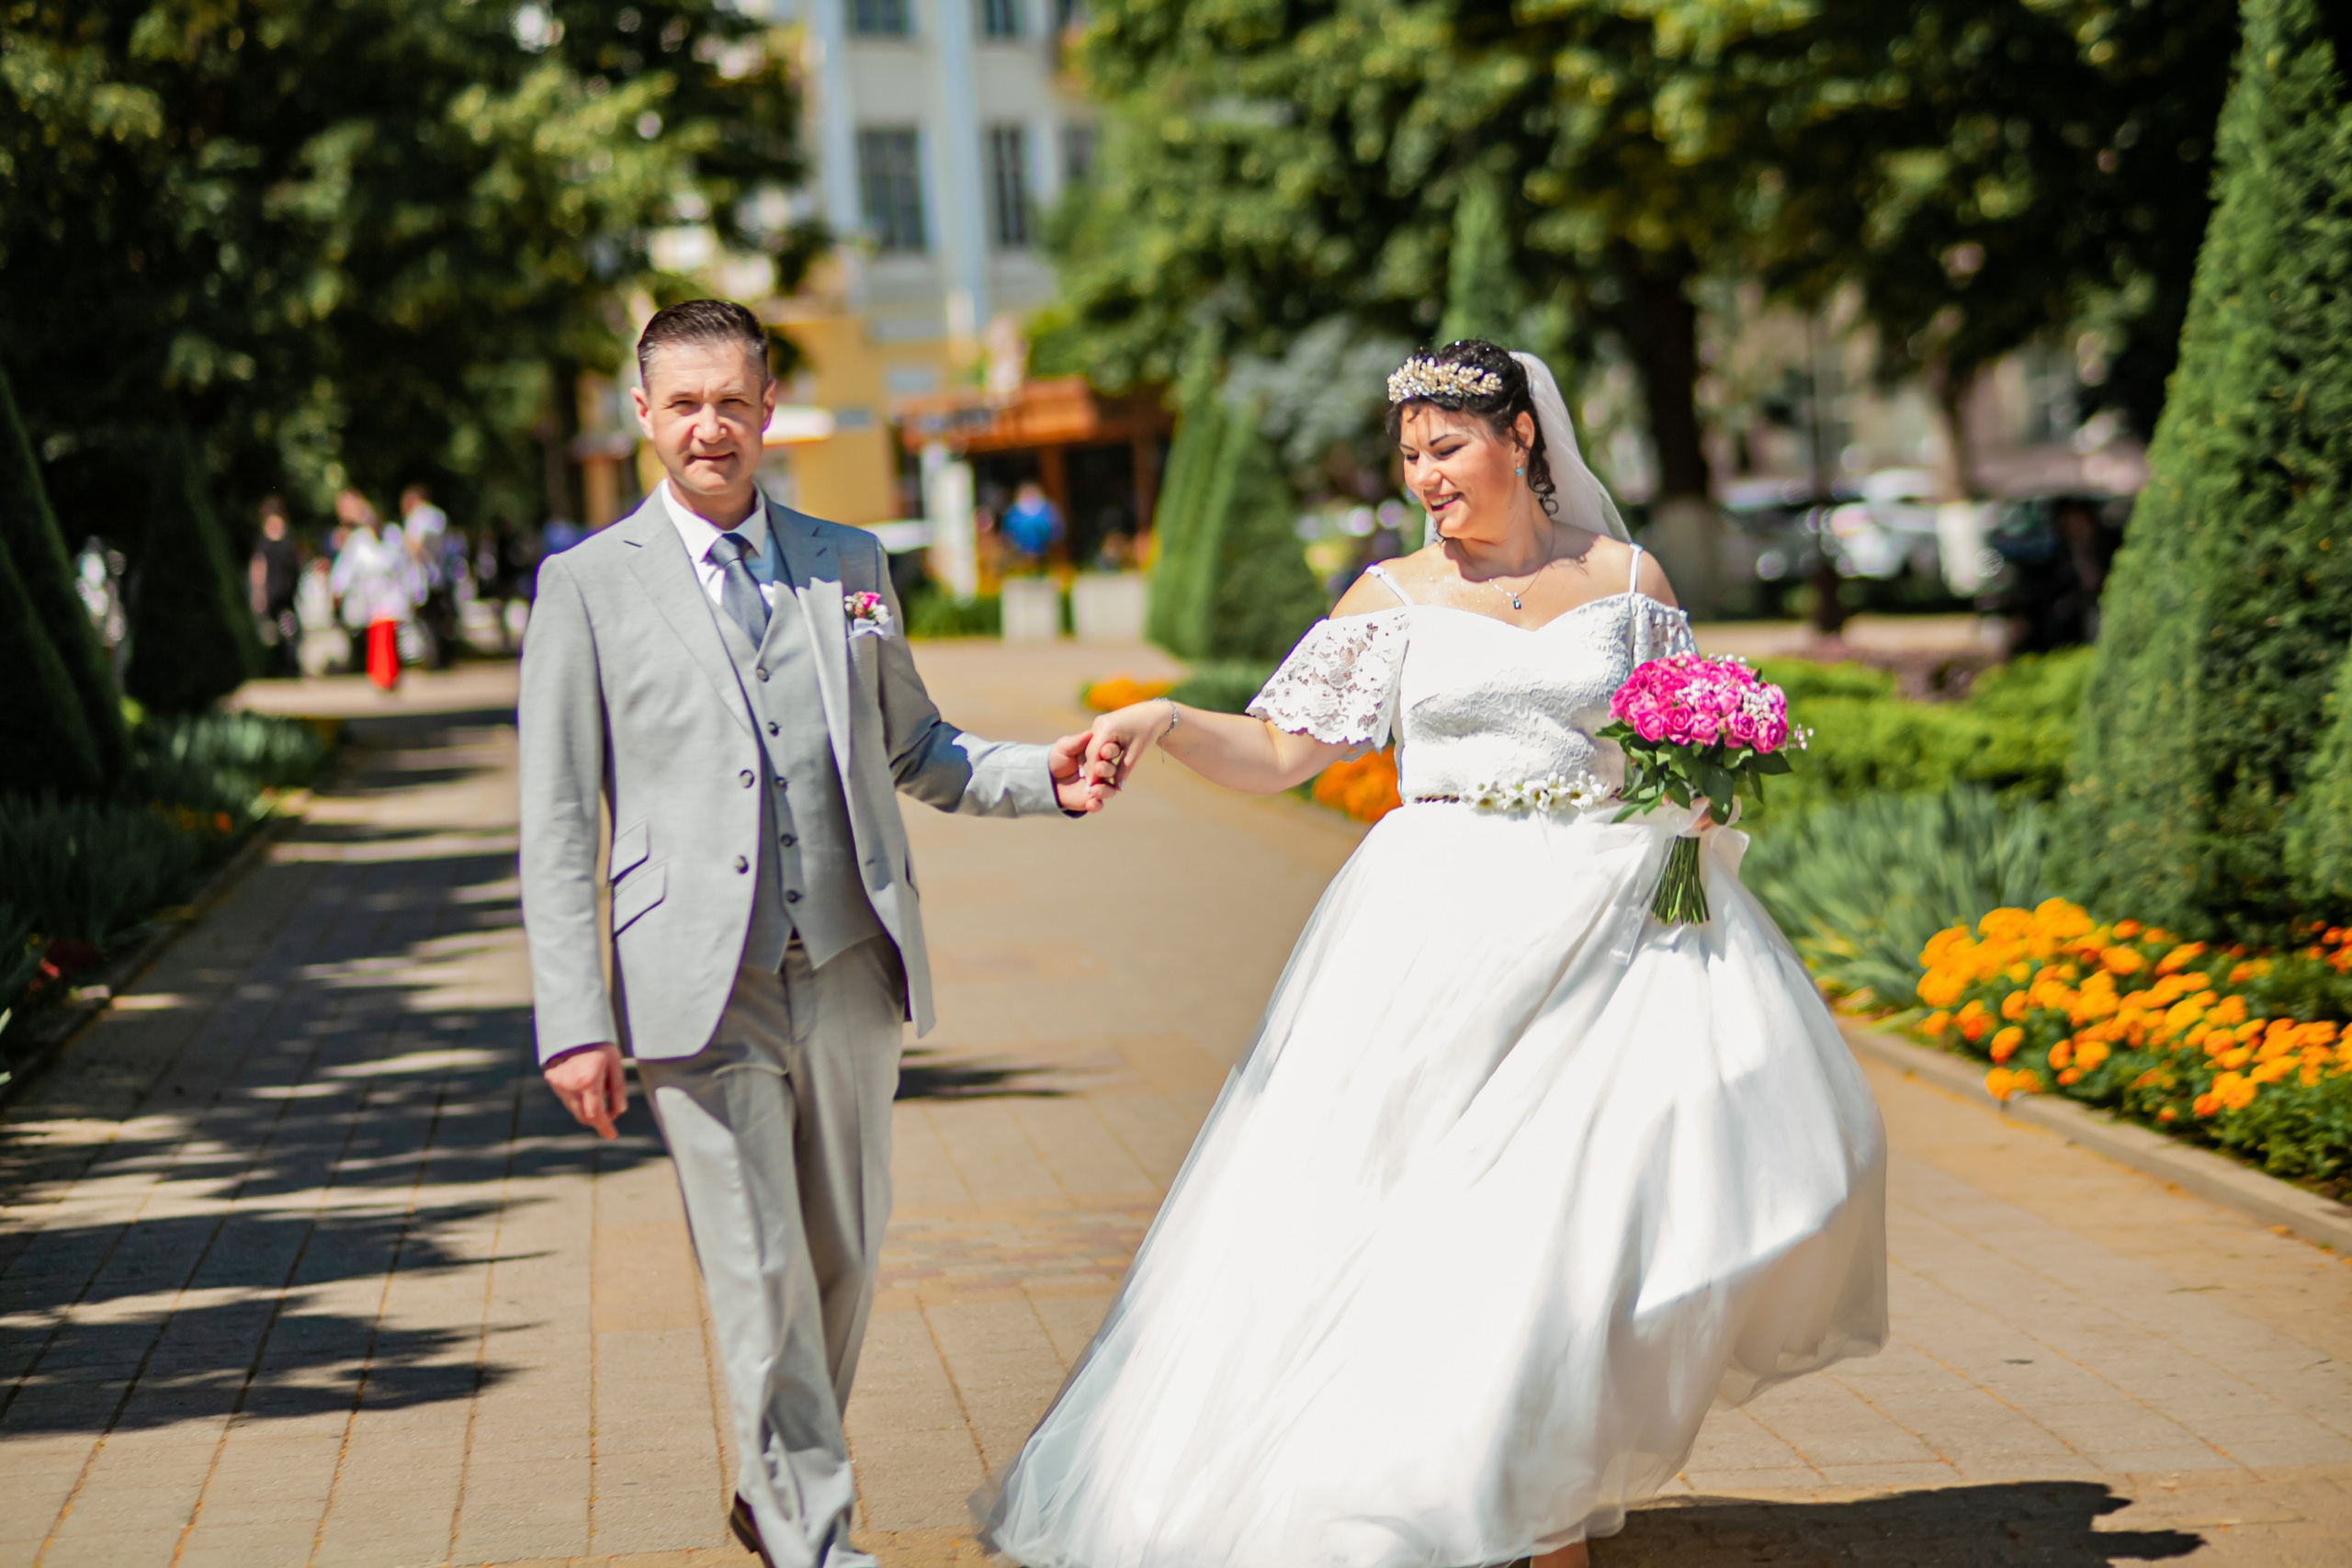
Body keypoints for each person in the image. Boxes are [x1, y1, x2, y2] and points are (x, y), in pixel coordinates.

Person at [984, 340, 1888, 1568]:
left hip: (1613, 926)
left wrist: (1707, 794)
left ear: (1523, 435)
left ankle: (1538, 1492)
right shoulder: (1392, 595)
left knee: (1579, 1219)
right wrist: (1160, 718)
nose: (1427, 479)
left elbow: (1684, 739)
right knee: (1433, 1220)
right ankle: (1488, 1500)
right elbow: (1277, 749)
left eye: (1448, 447)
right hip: (1437, 931)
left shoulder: (1631, 579)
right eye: (1410, 455)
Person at [516, 299, 1114, 1568]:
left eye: (731, 399)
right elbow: (560, 815)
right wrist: (574, 1016)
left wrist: (1040, 775)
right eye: (683, 403)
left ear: (770, 404)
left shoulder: (849, 561)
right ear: (642, 416)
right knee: (757, 1268)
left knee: (842, 1254)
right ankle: (810, 1533)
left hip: (847, 961)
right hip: (696, 987)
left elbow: (919, 746)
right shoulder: (584, 585)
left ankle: (773, 1482)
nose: (709, 426)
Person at [328, 490, 412, 691]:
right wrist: (337, 590)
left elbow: (405, 565)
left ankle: (390, 676)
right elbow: (345, 568)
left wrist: (413, 592)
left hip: (391, 596)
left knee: (389, 638)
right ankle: (380, 677)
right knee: (377, 640)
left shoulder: (394, 537)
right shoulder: (358, 541)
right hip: (370, 599)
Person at [249, 496, 301, 676]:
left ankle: (285, 667)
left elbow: (258, 568)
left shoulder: (266, 541)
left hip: (278, 594)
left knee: (284, 633)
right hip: (282, 594)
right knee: (286, 632)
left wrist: (258, 594)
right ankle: (287, 667)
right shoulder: (286, 538)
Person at [999, 479, 1061, 568]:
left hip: (1045, 551)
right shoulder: (1013, 512)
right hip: (1021, 552)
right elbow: (1007, 532)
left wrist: (1052, 540)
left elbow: (1057, 528)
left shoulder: (1048, 508)